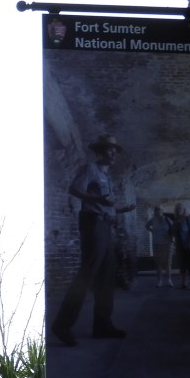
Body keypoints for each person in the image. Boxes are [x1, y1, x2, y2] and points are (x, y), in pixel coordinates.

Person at [50, 134, 136, 346]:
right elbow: (74, 189)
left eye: (115, 150)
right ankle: (61, 325)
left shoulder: (107, 176)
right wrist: (97, 199)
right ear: (99, 151)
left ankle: (103, 325)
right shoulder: (90, 169)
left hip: (105, 225)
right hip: (92, 223)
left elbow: (105, 203)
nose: (113, 153)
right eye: (109, 149)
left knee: (107, 275)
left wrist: (120, 209)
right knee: (88, 273)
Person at [172, 203, 190, 290]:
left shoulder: (189, 219)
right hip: (179, 245)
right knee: (182, 265)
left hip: (188, 244)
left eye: (181, 208)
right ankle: (182, 283)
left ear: (184, 210)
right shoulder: (176, 220)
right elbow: (174, 232)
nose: (179, 210)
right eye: (178, 208)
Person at [146, 206, 173, 287]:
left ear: (162, 211)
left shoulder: (167, 219)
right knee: (159, 263)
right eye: (156, 211)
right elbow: (146, 225)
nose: (158, 212)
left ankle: (169, 280)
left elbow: (174, 228)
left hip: (167, 244)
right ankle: (160, 280)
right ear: (155, 212)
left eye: (159, 210)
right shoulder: (153, 219)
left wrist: (171, 236)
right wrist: (152, 231)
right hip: (156, 244)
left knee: (168, 263)